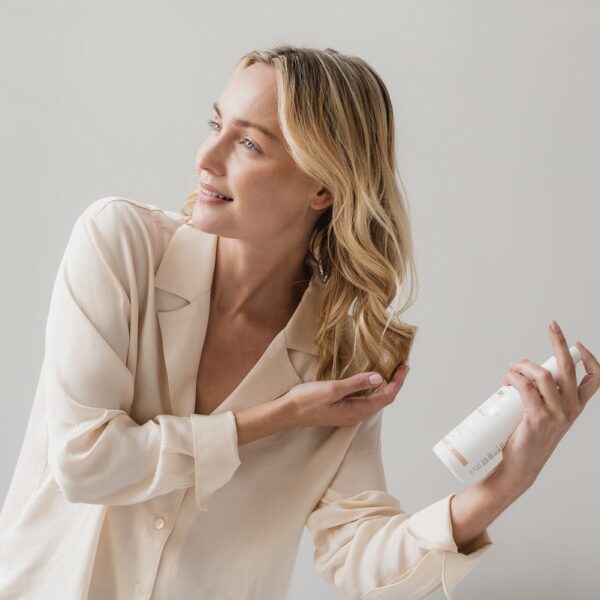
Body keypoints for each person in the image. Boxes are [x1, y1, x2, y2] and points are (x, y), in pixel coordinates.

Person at [0, 44, 597, 600]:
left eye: (248, 144)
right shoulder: (119, 245)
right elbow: (85, 461)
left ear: (323, 188)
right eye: (216, 125)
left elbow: (363, 559)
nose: (206, 158)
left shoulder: (344, 356)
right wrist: (279, 417)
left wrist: (509, 479)